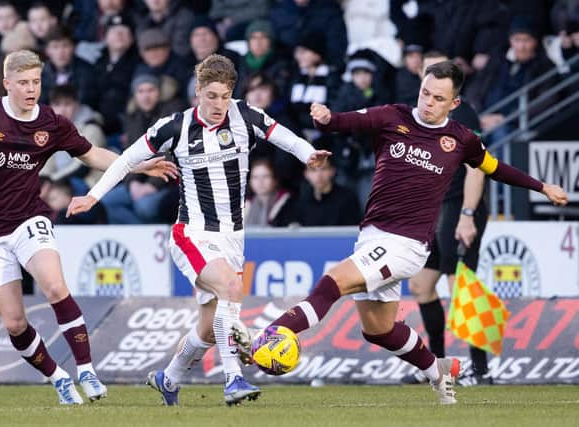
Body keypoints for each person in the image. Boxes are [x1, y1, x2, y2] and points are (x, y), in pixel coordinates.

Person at [232, 60, 567, 404]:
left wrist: (542, 186)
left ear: (454, 103)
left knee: (333, 282)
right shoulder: (394, 116)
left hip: (406, 245)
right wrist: (326, 118)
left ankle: (270, 334)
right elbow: (346, 122)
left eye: (438, 98)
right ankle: (440, 371)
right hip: (373, 236)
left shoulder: (461, 139)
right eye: (425, 93)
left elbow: (496, 169)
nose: (428, 102)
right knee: (378, 329)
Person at [66, 54, 331, 405]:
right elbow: (127, 158)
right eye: (211, 96)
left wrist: (309, 153)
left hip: (233, 237)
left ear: (232, 93)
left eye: (224, 96)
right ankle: (234, 379)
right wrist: (93, 195)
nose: (218, 104)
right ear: (198, 92)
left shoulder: (245, 115)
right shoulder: (174, 126)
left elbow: (285, 137)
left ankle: (169, 377)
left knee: (208, 327)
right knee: (231, 287)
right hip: (192, 232)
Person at [0, 50, 176, 405]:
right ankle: (58, 377)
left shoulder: (51, 123)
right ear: (7, 85)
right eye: (23, 83)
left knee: (54, 286)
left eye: (36, 82)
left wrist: (138, 167)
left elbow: (92, 153)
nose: (31, 89)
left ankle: (86, 370)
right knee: (15, 324)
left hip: (28, 219)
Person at [402, 52, 491, 387]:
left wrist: (467, 216)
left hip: (459, 207)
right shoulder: (420, 116)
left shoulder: (462, 114)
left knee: (462, 288)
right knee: (421, 285)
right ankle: (435, 366)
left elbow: (477, 171)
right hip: (433, 211)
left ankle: (481, 369)